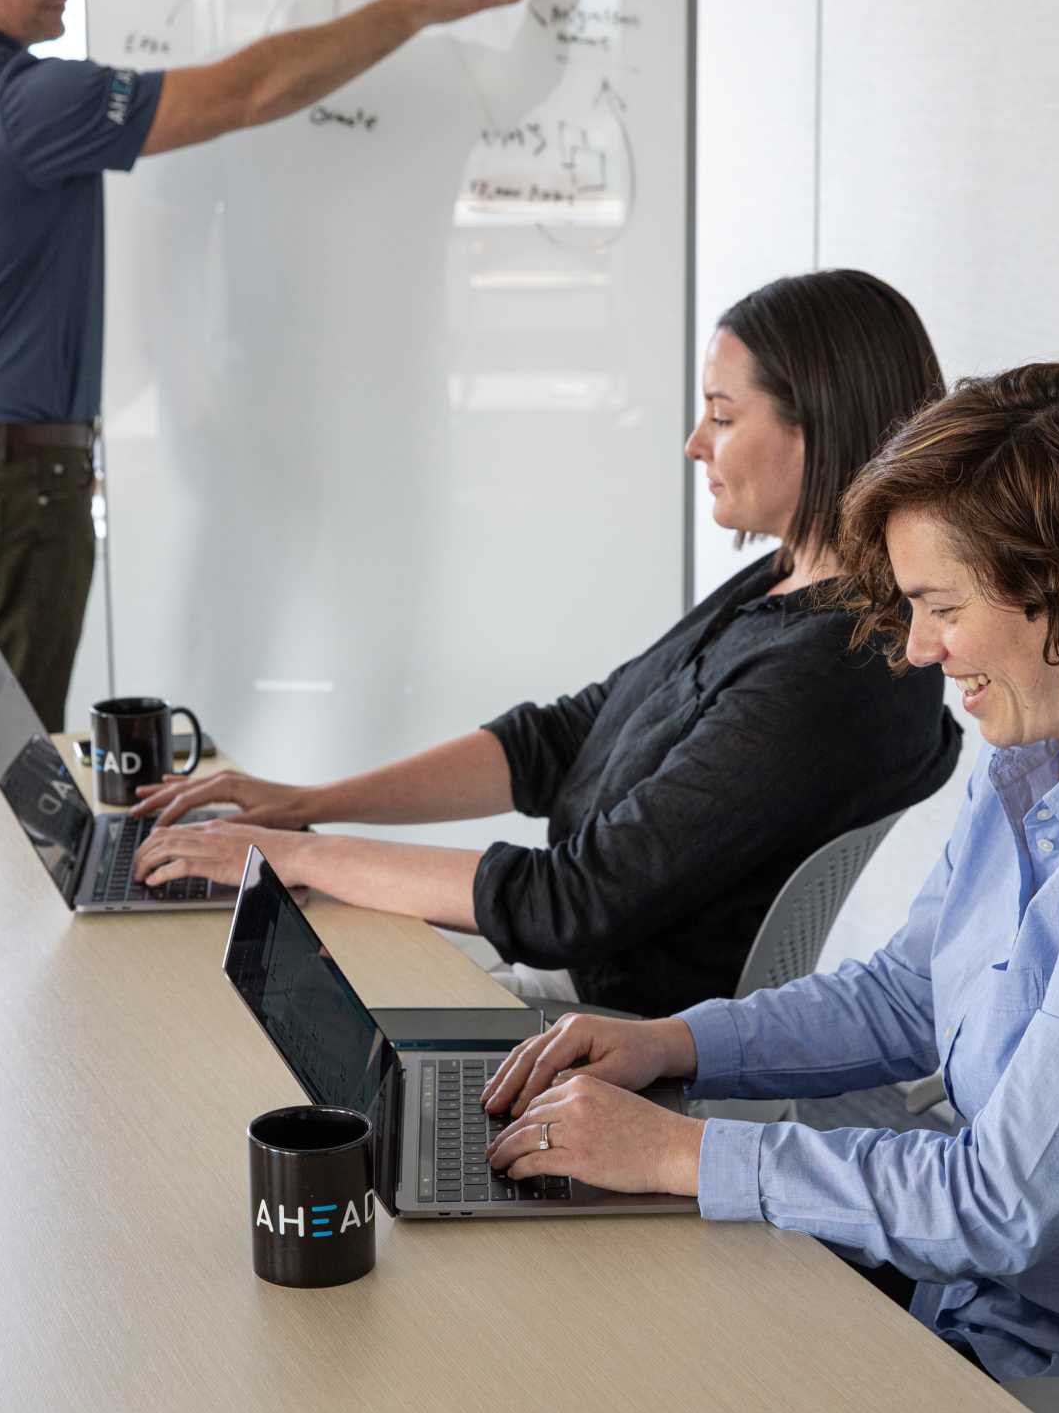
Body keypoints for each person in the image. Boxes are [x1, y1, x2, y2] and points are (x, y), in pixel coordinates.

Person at [476, 360, 1059, 1387]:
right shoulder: (1034, 760)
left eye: (941, 605)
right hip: (968, 1304)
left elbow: (998, 1203)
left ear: (1057, 582)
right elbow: (906, 992)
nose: (922, 647)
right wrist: (671, 1044)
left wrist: (678, 1155)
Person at [132, 269, 962, 1016]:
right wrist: (310, 807)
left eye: (721, 416)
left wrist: (294, 857)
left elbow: (568, 902)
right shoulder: (786, 583)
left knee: (248, 980)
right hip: (569, 978)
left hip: (609, 1030)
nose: (694, 444)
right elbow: (559, 741)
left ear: (818, 426)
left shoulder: (827, 672)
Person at [0, 0, 534, 741]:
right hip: (8, 476)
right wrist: (414, 4)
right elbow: (252, 92)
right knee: (2, 749)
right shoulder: (21, 105)